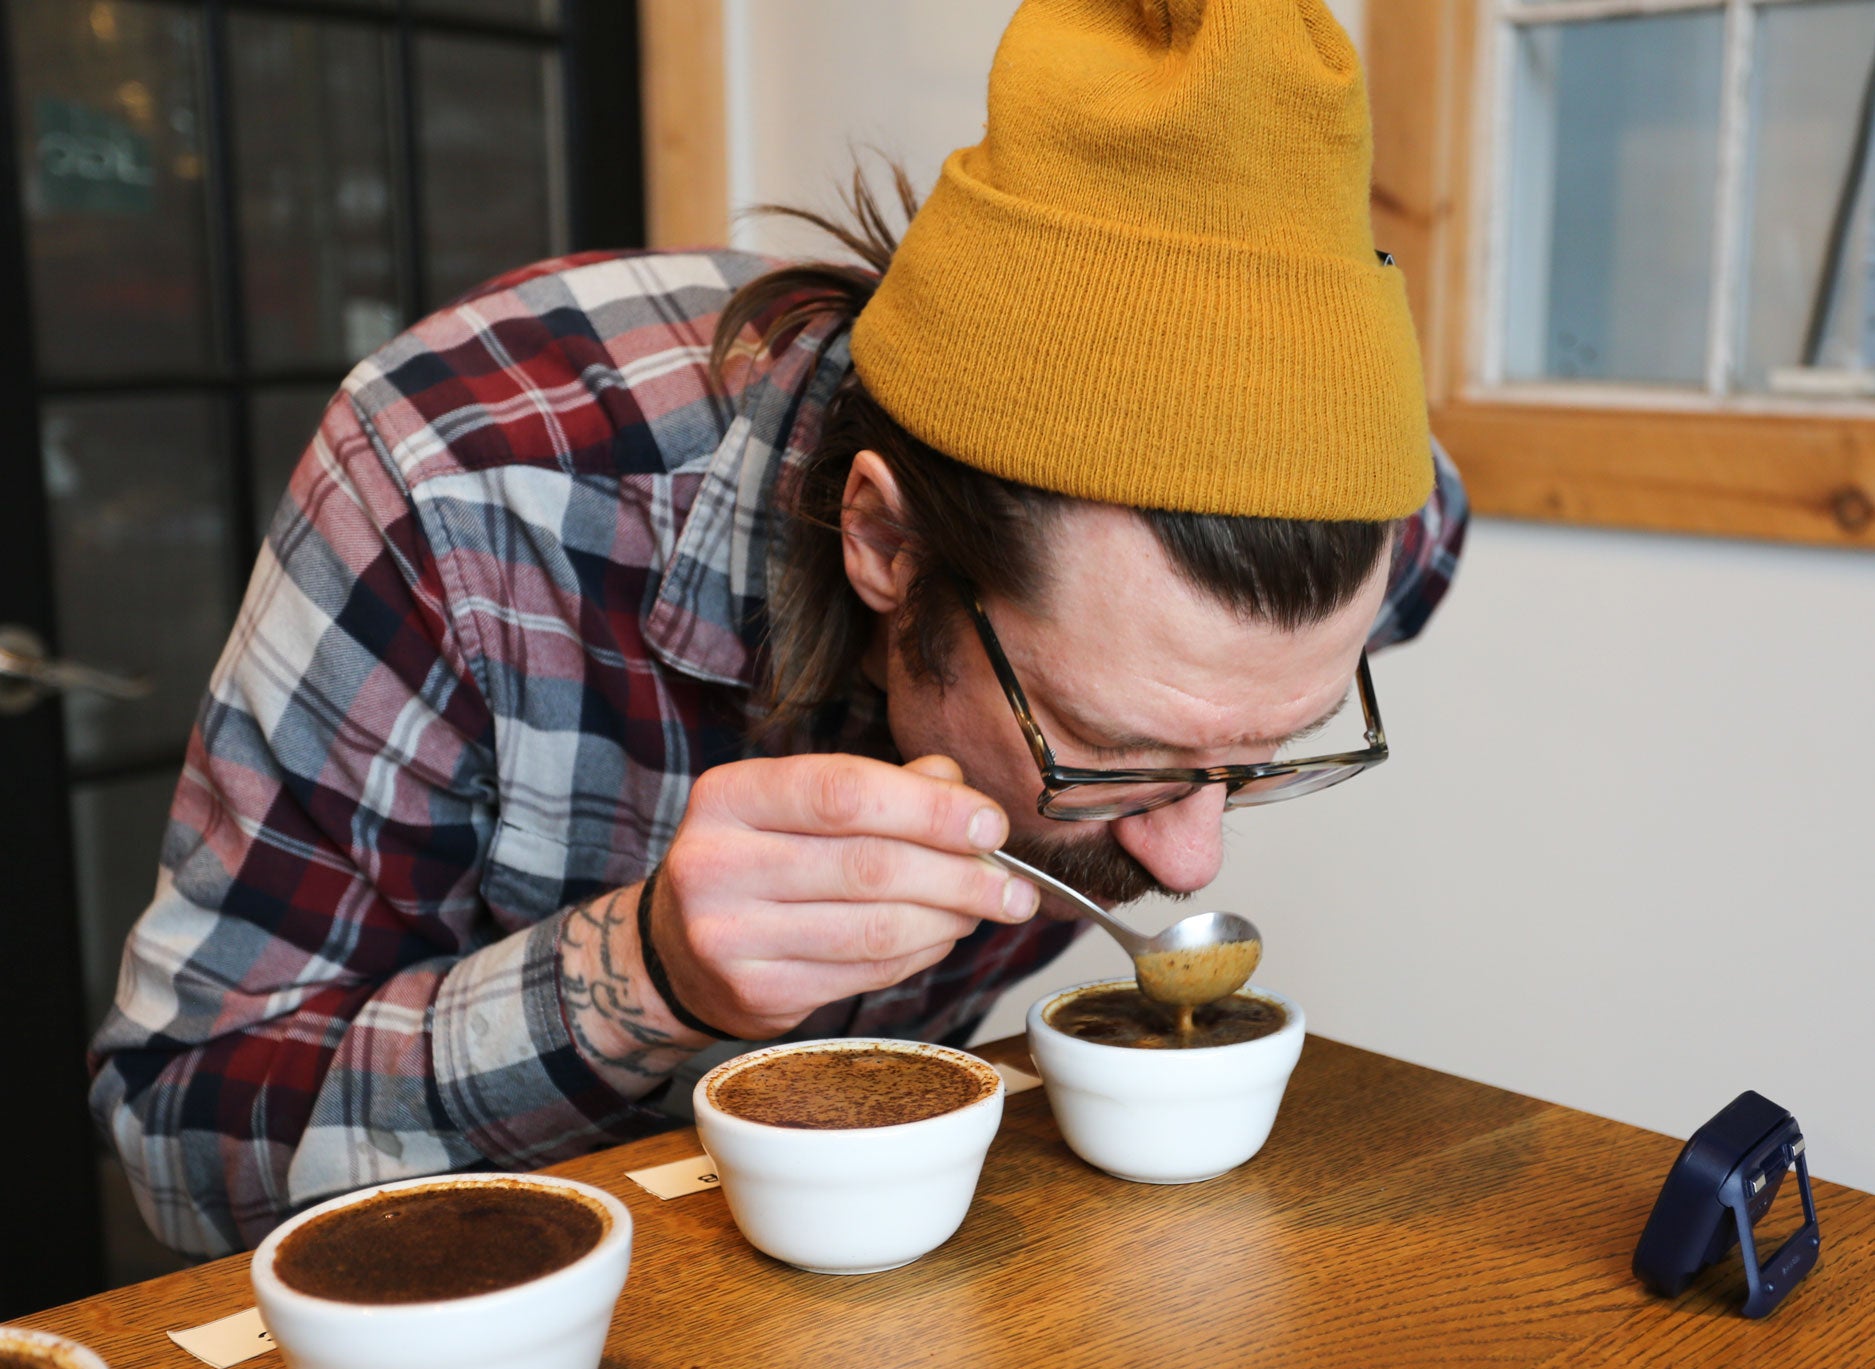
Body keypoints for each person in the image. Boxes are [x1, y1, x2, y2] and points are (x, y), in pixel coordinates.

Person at [91, 0, 1468, 1256]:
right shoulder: (462, 490)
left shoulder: (1376, 524)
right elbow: (178, 1136)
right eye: (1115, 751)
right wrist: (643, 974)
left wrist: (1198, 729)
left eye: (1270, 748)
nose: (1191, 854)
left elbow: (1421, 528)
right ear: (883, 540)